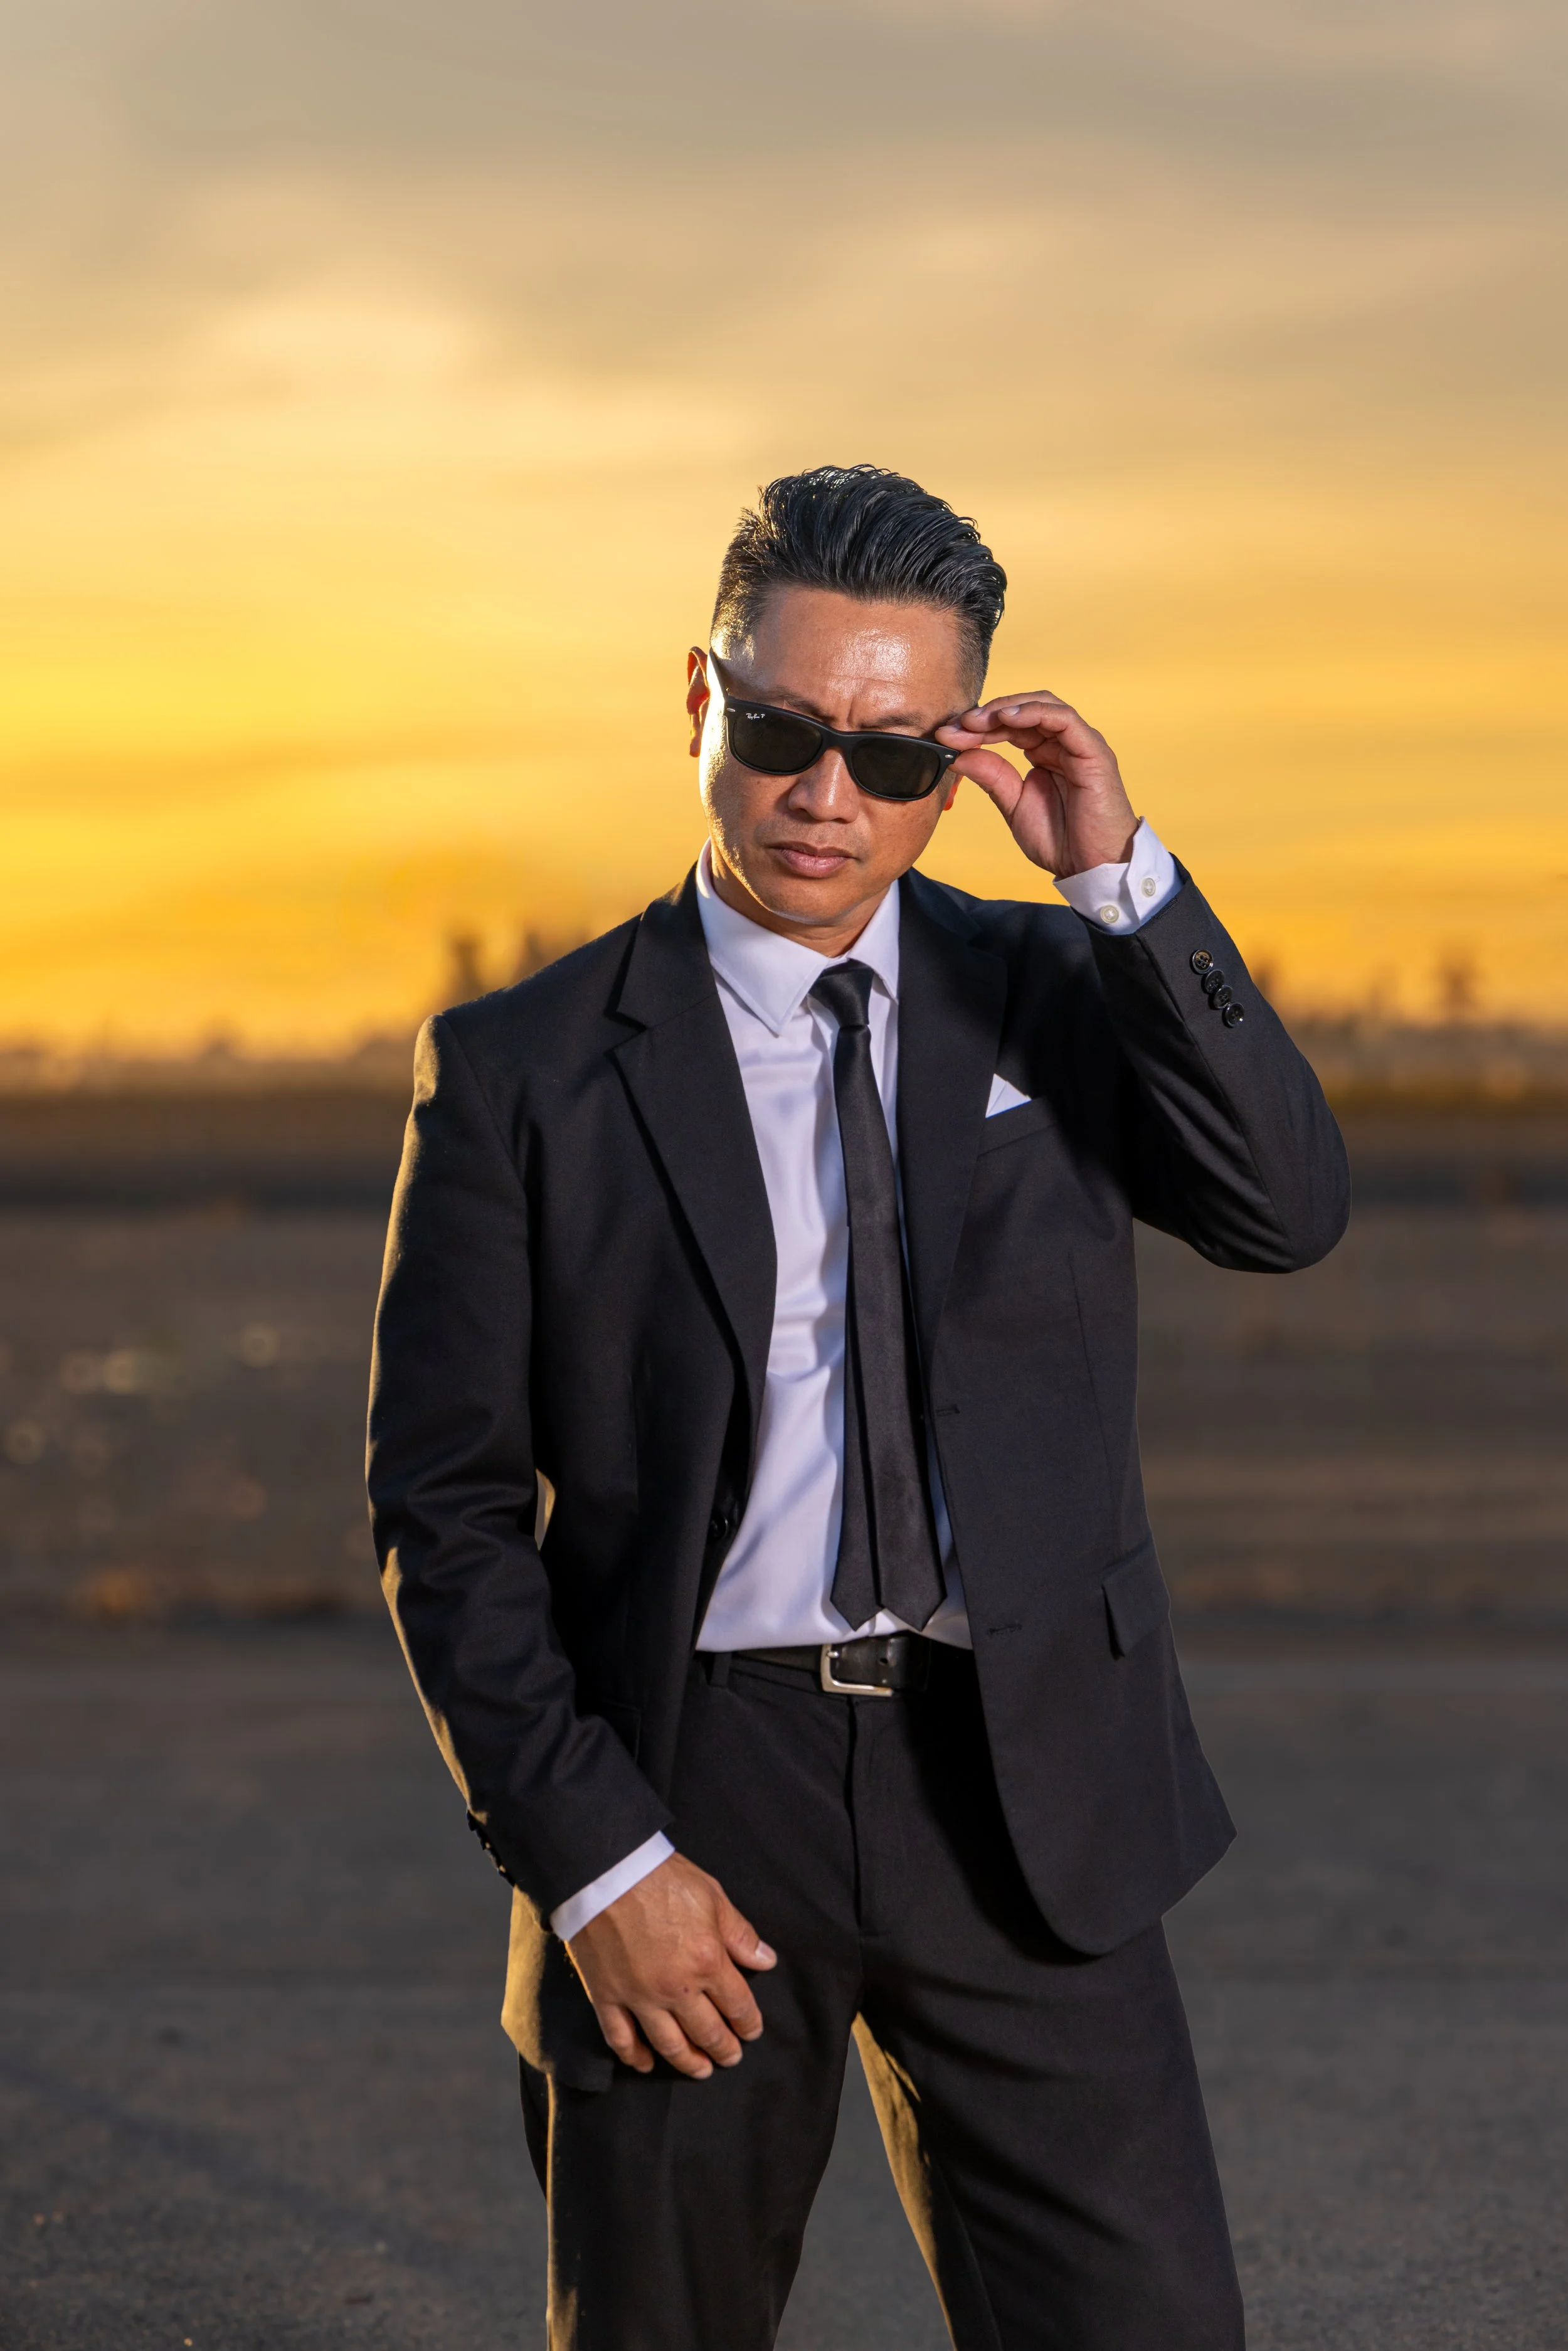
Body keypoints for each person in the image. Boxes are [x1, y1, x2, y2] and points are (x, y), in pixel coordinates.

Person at [368, 464, 1348, 2350]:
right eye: (782, 730)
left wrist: (1113, 872)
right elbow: (449, 1508)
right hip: (689, 1786)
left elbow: (1282, 1209)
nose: (827, 796)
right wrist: (598, 1861)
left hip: (1025, 1788)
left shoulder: (1057, 986)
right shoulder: (525, 1067)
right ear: (697, 700)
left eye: (894, 758)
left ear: (957, 756)